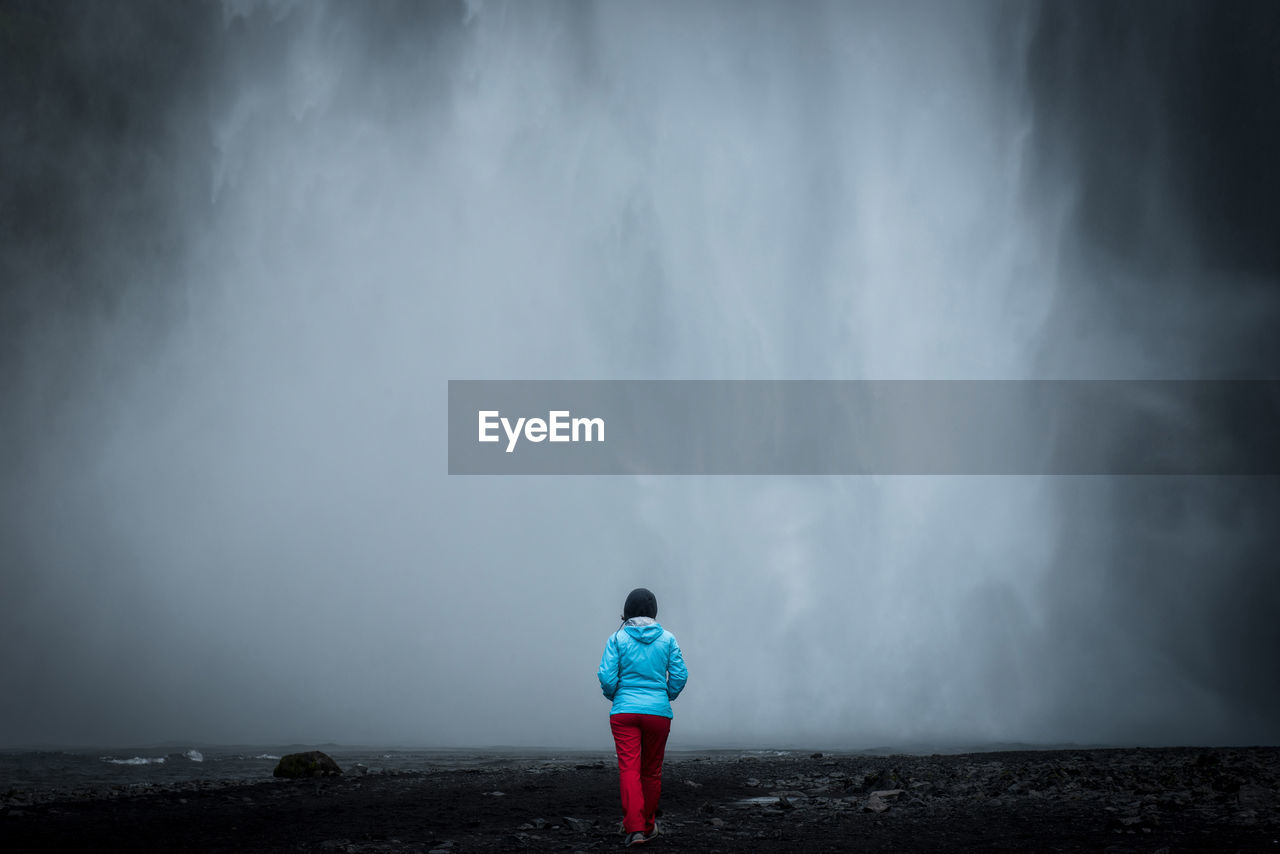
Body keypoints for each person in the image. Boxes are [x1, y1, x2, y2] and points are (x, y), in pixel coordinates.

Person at [597, 587, 688, 847]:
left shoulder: (617, 638)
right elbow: (680, 675)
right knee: (651, 772)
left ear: (626, 611)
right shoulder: (668, 639)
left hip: (624, 712)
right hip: (658, 714)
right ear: (654, 611)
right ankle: (648, 826)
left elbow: (606, 676)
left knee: (629, 769)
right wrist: (664, 696)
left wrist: (616, 695)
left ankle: (634, 829)